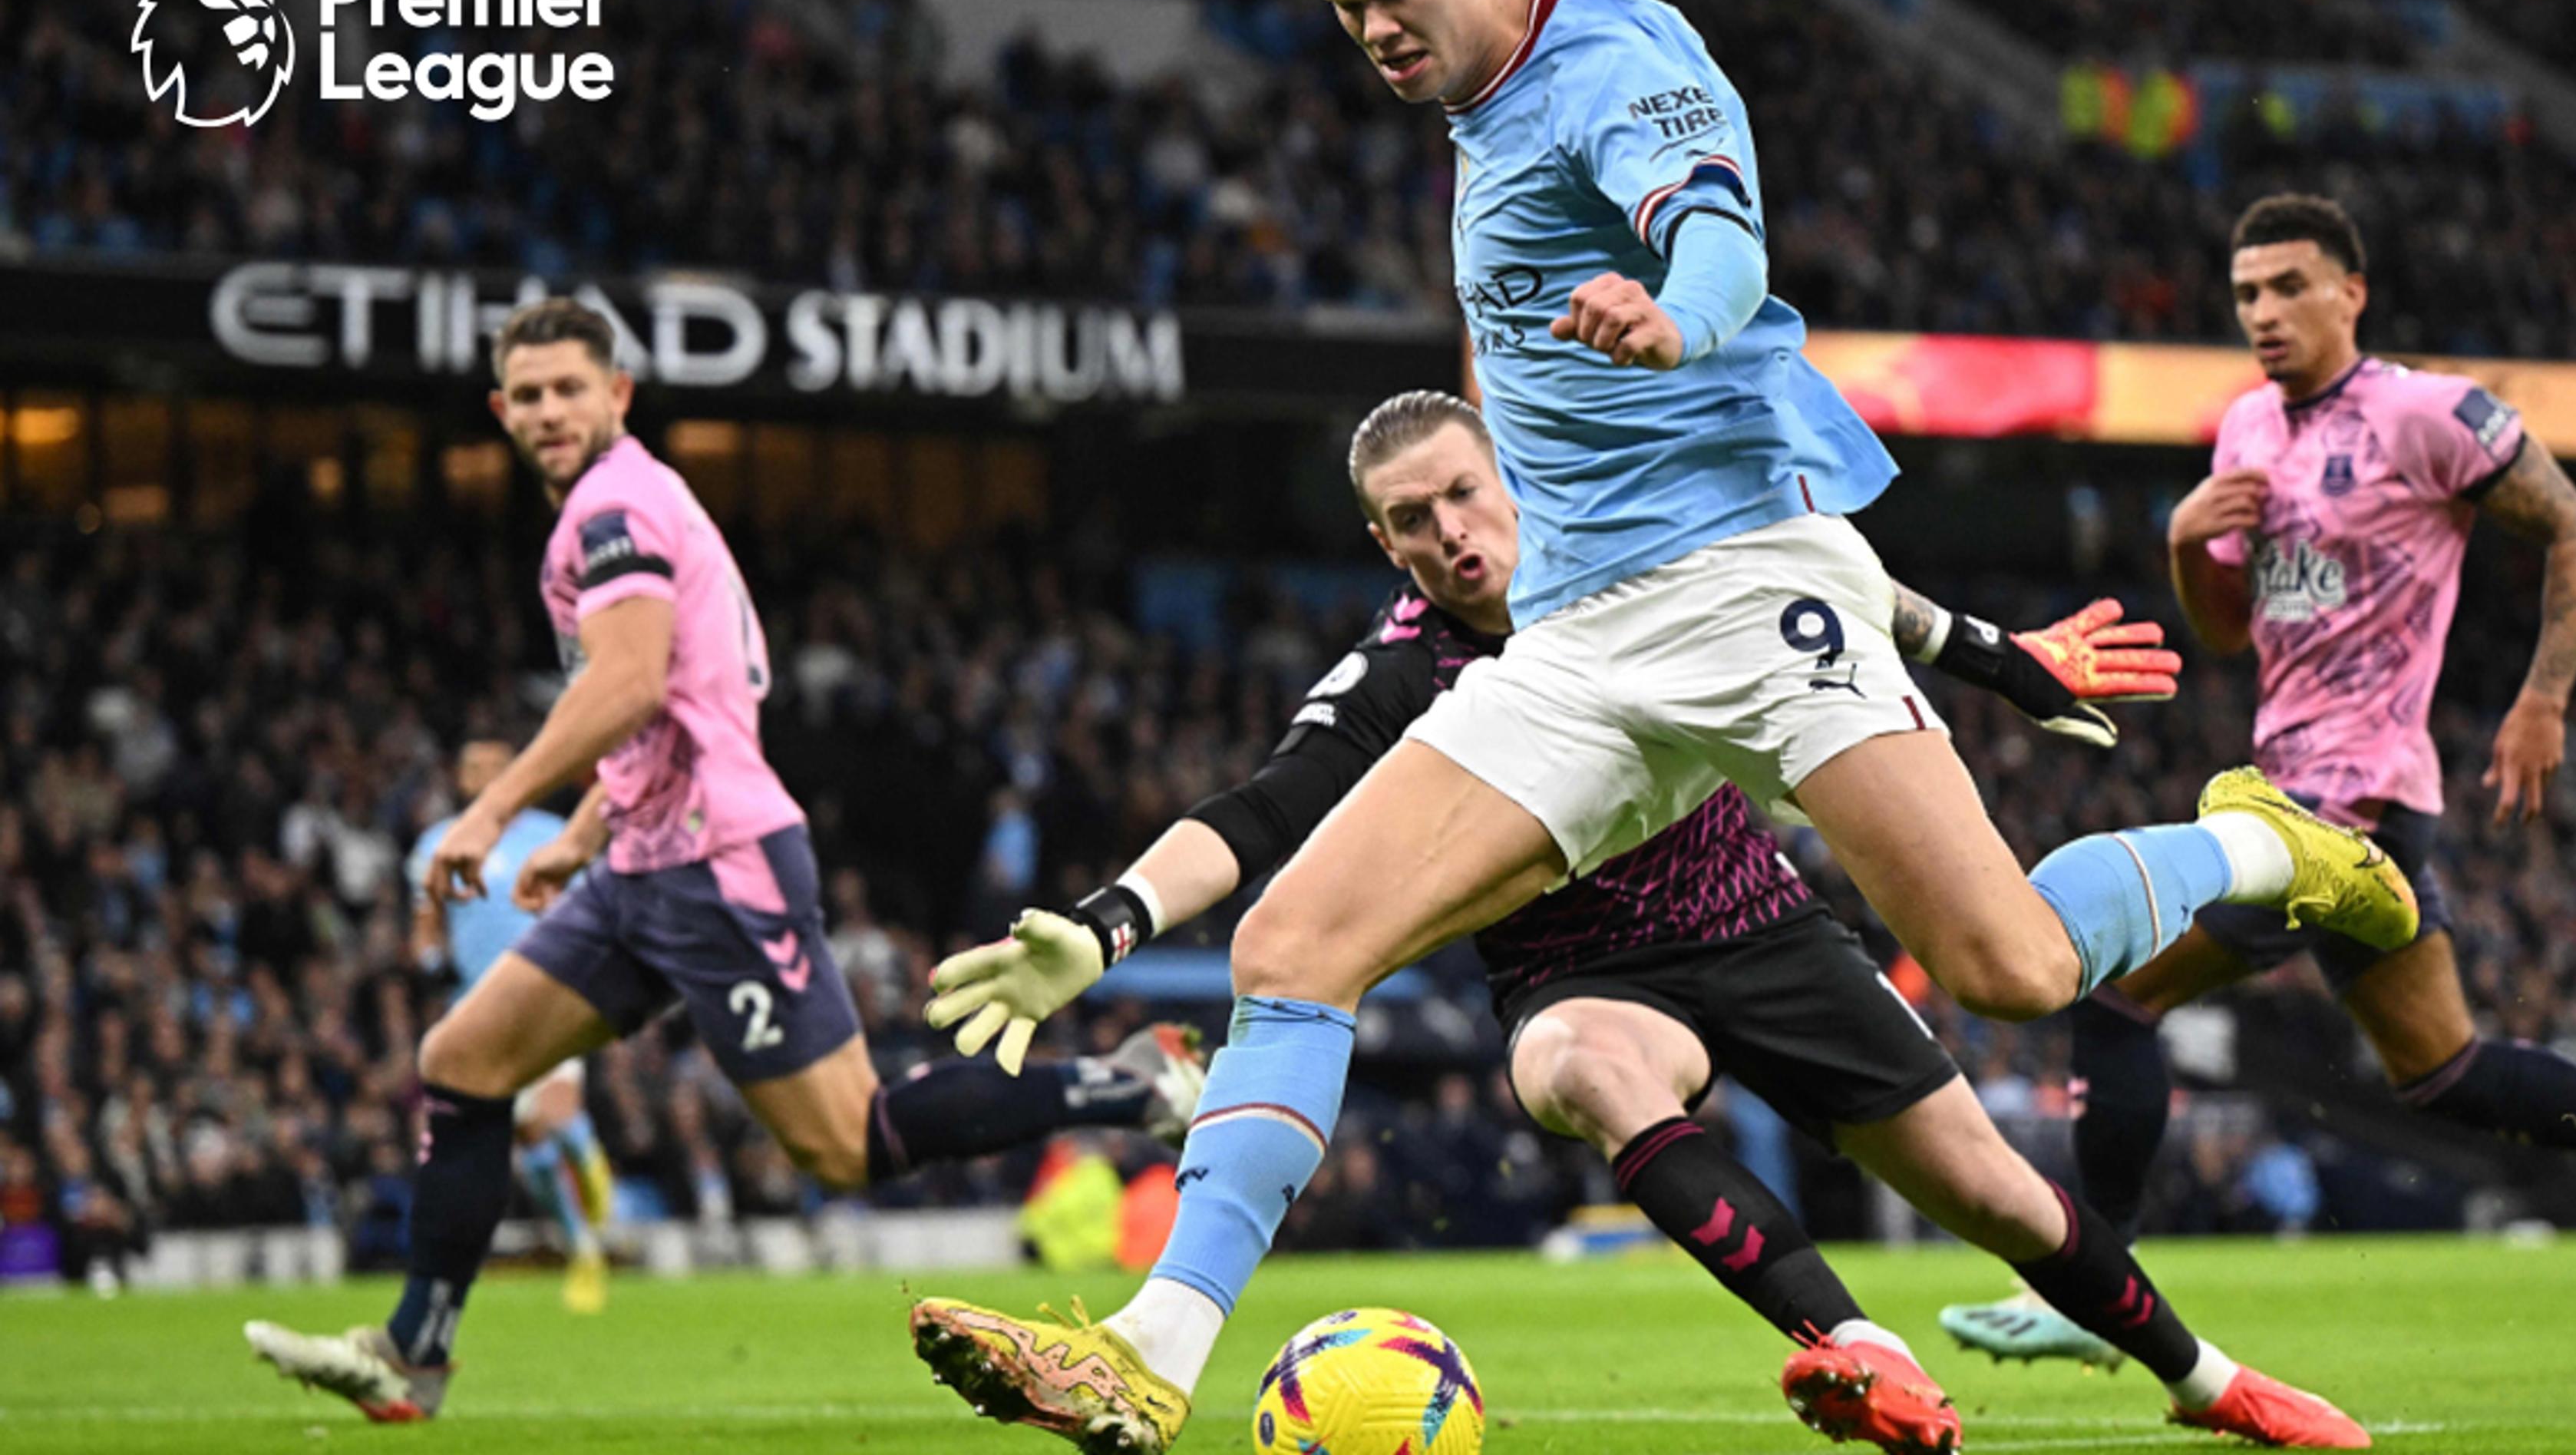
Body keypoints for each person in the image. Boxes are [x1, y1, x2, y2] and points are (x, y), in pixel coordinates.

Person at [904, 0, 2430, 1451]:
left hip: (1742, 588)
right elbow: (1557, 66)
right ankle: (1149, 1352)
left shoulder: (1618, 62)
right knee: (1293, 952)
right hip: (1575, 638)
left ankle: (2254, 846)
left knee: (2012, 968)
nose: (1375, 33)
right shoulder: (1512, 62)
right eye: (1346, 11)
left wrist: (1677, 310)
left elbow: (1713, 223)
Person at [910, 389, 2373, 1451]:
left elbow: (1828, 571)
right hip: (1577, 975)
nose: (1449, 536)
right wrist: (1107, 924)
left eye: (1465, 497)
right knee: (1578, 1073)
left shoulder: (1639, 562)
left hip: (1761, 925)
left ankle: (2211, 1381)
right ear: (1382, 541)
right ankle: (1851, 1347)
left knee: (1997, 1177)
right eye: (1412, 522)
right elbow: (1266, 806)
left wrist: (2000, 660)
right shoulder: (1401, 673)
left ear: (1512, 479)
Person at [243, 298, 1207, 1422]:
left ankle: (1131, 1086)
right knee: (463, 1059)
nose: (552, 410)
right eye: (531, 394)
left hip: (720, 871)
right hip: (644, 866)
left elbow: (632, 682)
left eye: (572, 388)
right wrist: (582, 837)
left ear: (620, 395)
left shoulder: (614, 509)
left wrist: (492, 809)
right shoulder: (640, 507)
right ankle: (414, 1353)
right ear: (500, 411)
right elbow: (695, 703)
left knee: (850, 1146)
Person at [1942, 193, 2576, 1371]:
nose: (2264, 314)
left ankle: (2093, 1292)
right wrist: (2189, 541)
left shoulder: (2428, 413)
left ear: (2352, 291)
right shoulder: (2246, 425)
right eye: (2247, 293)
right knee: (2444, 1074)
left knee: (2115, 998)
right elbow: (2228, 633)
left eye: (2290, 286)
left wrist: (2543, 698)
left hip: (2356, 798)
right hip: (2291, 782)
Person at [404, 737, 612, 1314]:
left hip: (551, 994)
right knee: (528, 1137)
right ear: (461, 778)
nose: (487, 777)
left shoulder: (554, 833)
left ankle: (591, 1163)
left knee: (557, 1112)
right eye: (474, 768)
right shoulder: (435, 843)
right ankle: (584, 1249)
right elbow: (427, 921)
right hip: (480, 1008)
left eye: (498, 768)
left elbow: (592, 911)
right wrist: (426, 961)